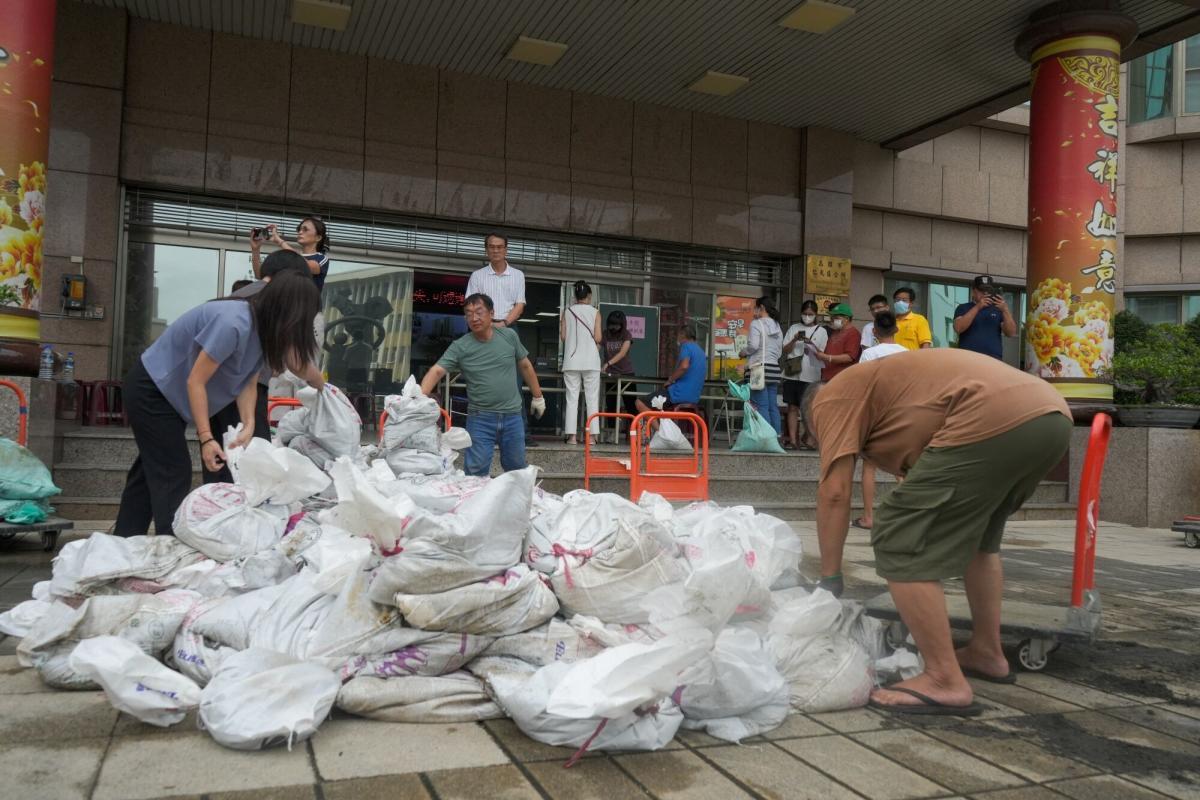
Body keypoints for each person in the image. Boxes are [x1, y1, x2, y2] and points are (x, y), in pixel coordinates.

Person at [803, 349, 1072, 714]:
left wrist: (830, 578)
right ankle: (987, 652)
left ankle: (944, 678)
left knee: (898, 532)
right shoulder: (888, 395)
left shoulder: (830, 398)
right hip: (1049, 417)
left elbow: (834, 493)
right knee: (980, 541)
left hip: (993, 415)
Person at [115, 271, 324, 537]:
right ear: (289, 311)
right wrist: (205, 438)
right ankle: (173, 546)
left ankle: (124, 538)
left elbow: (246, 379)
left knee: (150, 470)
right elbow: (196, 381)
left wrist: (248, 423)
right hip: (153, 389)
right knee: (172, 470)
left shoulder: (262, 332)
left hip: (170, 395)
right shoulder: (233, 322)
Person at [204, 250, 314, 484]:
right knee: (252, 455)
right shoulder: (269, 298)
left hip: (216, 388)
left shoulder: (241, 295)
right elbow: (294, 358)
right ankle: (243, 509)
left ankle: (218, 506)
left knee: (221, 457)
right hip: (241, 386)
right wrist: (322, 386)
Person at [419, 293, 546, 477]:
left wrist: (538, 396)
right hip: (480, 418)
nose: (474, 318)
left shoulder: (509, 336)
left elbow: (525, 365)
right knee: (476, 470)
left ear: (492, 313)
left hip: (512, 416)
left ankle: (515, 505)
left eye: (479, 312)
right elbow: (436, 371)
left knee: (517, 469)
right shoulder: (460, 346)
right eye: (469, 314)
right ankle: (474, 504)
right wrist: (419, 398)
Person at [465, 232, 537, 446]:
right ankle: (484, 433)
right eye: (491, 247)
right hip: (482, 331)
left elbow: (520, 305)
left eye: (499, 247)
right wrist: (485, 324)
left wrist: (504, 324)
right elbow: (472, 306)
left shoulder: (517, 275)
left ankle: (521, 434)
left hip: (508, 329)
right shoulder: (478, 276)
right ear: (486, 249)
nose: (495, 250)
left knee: (513, 382)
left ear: (506, 249)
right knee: (483, 381)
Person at [851, 311, 908, 530]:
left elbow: (861, 385)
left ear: (874, 331)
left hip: (876, 412)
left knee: (869, 466)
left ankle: (868, 517)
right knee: (900, 467)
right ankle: (907, 516)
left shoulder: (869, 354)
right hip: (901, 412)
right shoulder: (907, 354)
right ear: (896, 329)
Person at [781, 300, 828, 450]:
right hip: (792, 374)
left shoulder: (821, 331)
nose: (807, 317)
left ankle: (809, 439)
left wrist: (810, 344)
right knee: (792, 407)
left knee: (808, 409)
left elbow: (822, 353)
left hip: (811, 374)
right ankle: (794, 440)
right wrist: (795, 339)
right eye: (805, 314)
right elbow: (786, 350)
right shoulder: (794, 327)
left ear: (815, 315)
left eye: (810, 314)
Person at [560, 280, 602, 445]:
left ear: (575, 296)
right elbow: (598, 337)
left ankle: (572, 437)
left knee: (572, 399)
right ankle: (591, 437)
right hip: (591, 361)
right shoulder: (595, 312)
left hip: (571, 361)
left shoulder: (567, 311)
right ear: (589, 296)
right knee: (592, 399)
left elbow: (563, 337)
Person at [636, 325, 706, 413]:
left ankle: (658, 427)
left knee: (640, 403)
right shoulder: (701, 352)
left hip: (678, 394)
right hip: (693, 398)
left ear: (682, 335)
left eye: (679, 334)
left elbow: (684, 366)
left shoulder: (686, 346)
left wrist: (670, 379)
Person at [740, 295, 784, 437]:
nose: (754, 311)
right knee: (772, 406)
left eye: (756, 308)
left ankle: (765, 436)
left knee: (760, 405)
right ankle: (776, 435)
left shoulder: (756, 324)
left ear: (762, 308)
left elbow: (753, 346)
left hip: (758, 370)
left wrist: (743, 352)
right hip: (774, 369)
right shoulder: (777, 326)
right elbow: (779, 350)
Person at [250, 217, 331, 291]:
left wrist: (279, 241)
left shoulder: (321, 258)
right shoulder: (289, 256)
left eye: (305, 229)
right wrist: (255, 249)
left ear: (318, 238)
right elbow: (259, 275)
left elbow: (307, 266)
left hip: (306, 306)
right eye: (299, 229)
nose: (300, 232)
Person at [953, 275, 1017, 359]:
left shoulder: (998, 309)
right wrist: (978, 306)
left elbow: (1011, 333)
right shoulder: (963, 308)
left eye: (988, 290)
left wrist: (1005, 310)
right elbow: (958, 328)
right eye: (981, 290)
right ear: (974, 291)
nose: (985, 293)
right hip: (968, 357)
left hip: (993, 358)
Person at [601, 309, 639, 419]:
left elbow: (622, 353)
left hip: (627, 374)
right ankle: (611, 433)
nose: (613, 327)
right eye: (611, 324)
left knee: (631, 406)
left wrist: (608, 363)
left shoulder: (627, 335)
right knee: (611, 406)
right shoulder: (605, 334)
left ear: (622, 325)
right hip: (611, 376)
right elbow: (597, 347)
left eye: (616, 325)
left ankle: (633, 433)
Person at [813, 303, 860, 381]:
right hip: (828, 377)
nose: (832, 320)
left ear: (847, 319)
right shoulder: (836, 332)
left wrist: (827, 357)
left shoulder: (854, 334)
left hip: (841, 379)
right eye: (832, 317)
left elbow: (849, 357)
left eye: (836, 318)